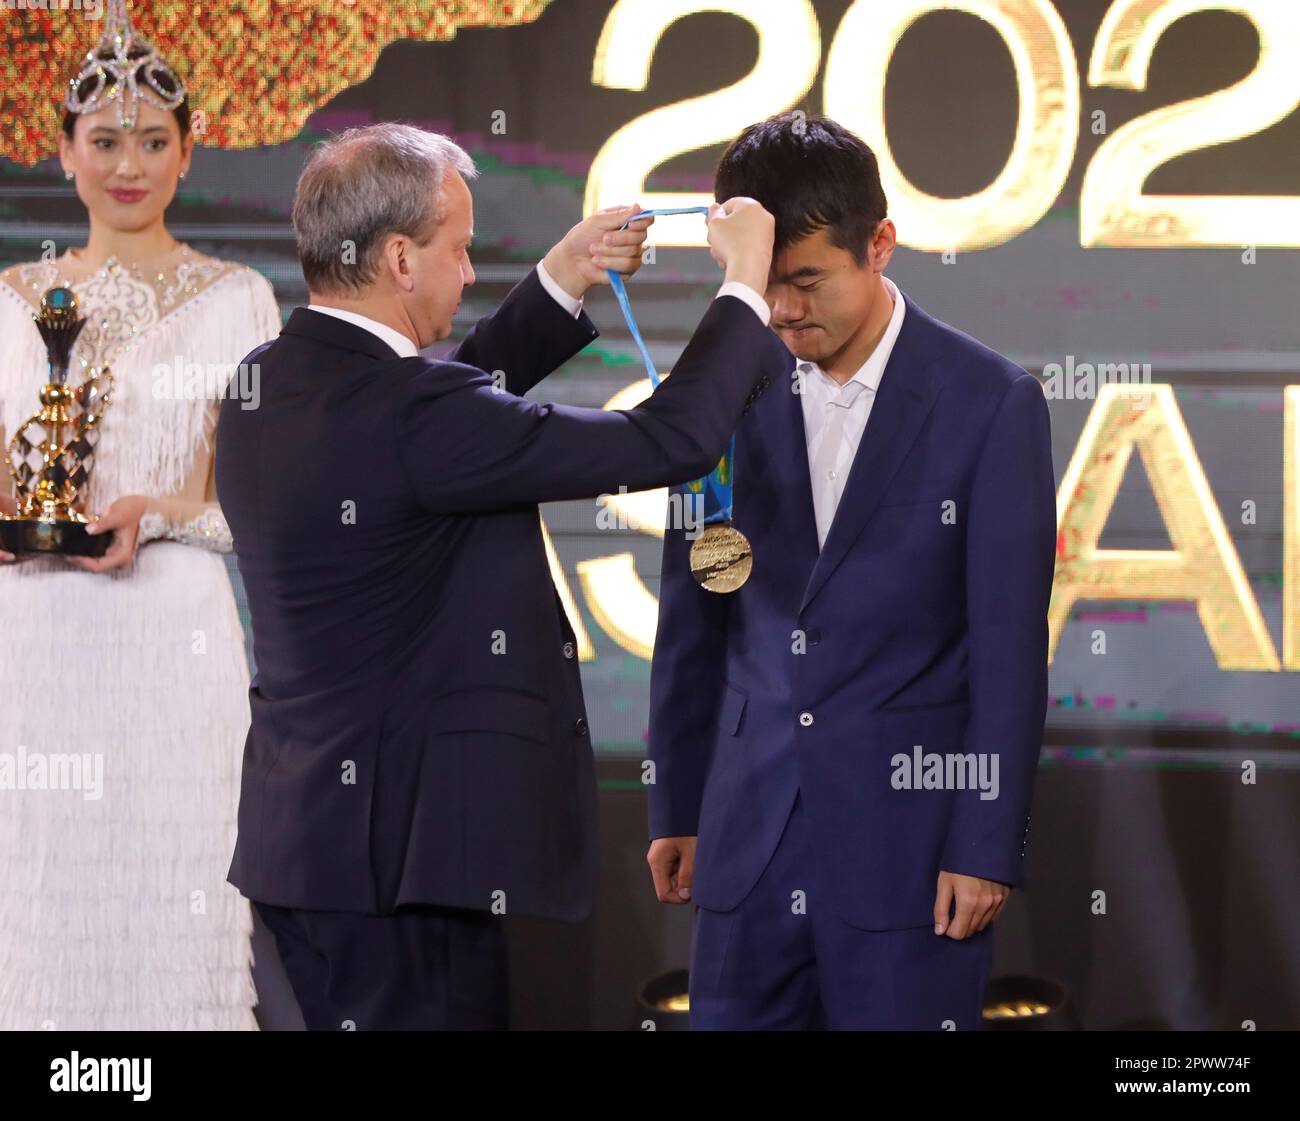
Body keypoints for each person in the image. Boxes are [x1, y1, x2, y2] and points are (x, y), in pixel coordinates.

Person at [216, 122, 787, 1030]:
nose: (471, 271)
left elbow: (439, 419)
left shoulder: (262, 386)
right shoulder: (418, 418)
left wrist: (565, 275)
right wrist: (743, 290)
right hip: (410, 872)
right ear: (401, 259)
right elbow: (669, 438)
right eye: (460, 248)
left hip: (305, 855)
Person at [646, 113, 1058, 1030]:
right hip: (744, 841)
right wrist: (675, 798)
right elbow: (696, 608)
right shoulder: (722, 391)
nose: (783, 310)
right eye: (764, 283)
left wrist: (986, 843)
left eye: (805, 280)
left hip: (910, 854)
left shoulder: (991, 403)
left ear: (879, 245)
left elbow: (1007, 651)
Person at [0, 2, 279, 1029]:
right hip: (32, 637)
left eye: (154, 141)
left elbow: (250, 502)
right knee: (37, 886)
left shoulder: (241, 298)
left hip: (173, 627)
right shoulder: (9, 298)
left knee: (179, 876)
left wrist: (155, 514)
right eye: (106, 141)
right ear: (62, 150)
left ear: (189, 150)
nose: (130, 165)